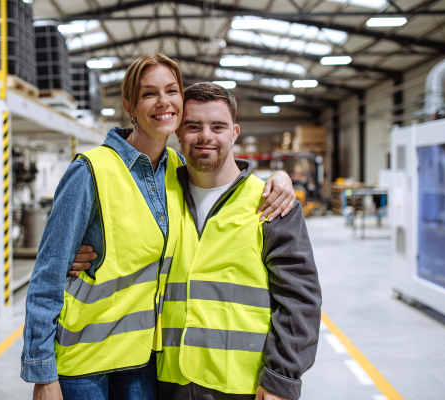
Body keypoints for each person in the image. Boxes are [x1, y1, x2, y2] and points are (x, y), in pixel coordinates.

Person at [20, 54, 297, 400]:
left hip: (142, 359)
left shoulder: (177, 170)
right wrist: (42, 373)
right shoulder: (90, 171)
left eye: (171, 90)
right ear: (129, 106)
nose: (163, 101)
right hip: (85, 360)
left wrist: (280, 178)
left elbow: (222, 172)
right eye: (149, 93)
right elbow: (47, 276)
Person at [156, 82, 322, 400]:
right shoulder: (160, 196)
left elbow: (300, 299)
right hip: (167, 382)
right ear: (178, 133)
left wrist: (281, 379)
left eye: (217, 126)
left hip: (241, 387)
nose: (206, 136)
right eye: (193, 126)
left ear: (234, 133)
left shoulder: (271, 201)